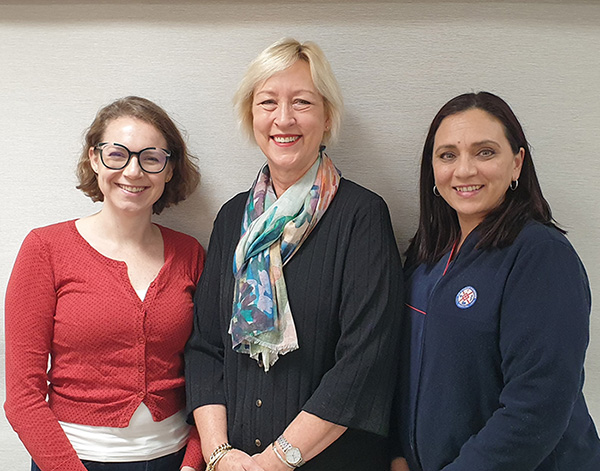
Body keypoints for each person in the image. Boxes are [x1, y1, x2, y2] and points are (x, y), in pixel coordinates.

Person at [185, 38, 403, 471]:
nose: (283, 119)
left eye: (302, 102)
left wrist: (277, 461)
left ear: (327, 118)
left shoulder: (362, 216)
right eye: (268, 102)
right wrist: (218, 453)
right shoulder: (232, 218)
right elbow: (206, 347)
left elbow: (366, 359)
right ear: (252, 116)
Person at [391, 91, 600, 471]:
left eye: (485, 152)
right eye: (448, 155)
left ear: (517, 163)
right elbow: (403, 372)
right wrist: (398, 455)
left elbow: (537, 406)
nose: (465, 170)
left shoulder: (542, 256)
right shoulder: (425, 257)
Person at [5, 96, 206, 471]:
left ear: (168, 169)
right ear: (95, 159)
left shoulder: (190, 254)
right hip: (72, 461)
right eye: (117, 154)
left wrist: (193, 464)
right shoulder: (45, 249)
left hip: (175, 461)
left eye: (151, 157)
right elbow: (22, 396)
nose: (133, 172)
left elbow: (211, 373)